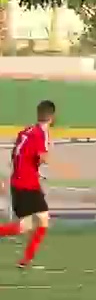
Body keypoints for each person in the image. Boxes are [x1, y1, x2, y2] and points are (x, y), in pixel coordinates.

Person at [1, 100, 56, 269]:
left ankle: (26, 259)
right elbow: (42, 157)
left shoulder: (25, 131)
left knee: (30, 223)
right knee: (40, 221)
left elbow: (16, 155)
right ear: (52, 117)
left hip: (18, 182)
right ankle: (27, 259)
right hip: (27, 184)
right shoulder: (42, 133)